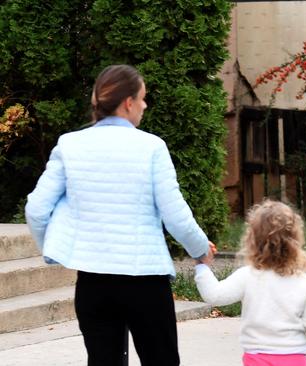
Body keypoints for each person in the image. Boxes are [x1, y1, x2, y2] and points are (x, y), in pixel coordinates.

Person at [24, 64, 215, 366]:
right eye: (142, 98)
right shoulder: (152, 147)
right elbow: (175, 214)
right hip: (145, 279)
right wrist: (200, 250)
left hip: (93, 280)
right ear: (128, 103)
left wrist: (55, 249)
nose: (145, 104)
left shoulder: (70, 144)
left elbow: (36, 209)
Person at [194, 199, 306, 366]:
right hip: (294, 358)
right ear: (296, 240)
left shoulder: (248, 276)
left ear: (252, 240)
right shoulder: (305, 282)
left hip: (257, 359)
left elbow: (215, 295)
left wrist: (202, 266)